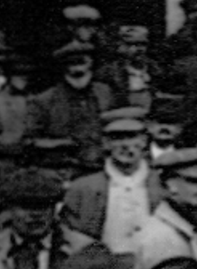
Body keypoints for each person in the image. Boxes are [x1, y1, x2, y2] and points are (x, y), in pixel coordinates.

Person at [60, 108, 164, 256]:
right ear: (106, 143)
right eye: (117, 138)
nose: (125, 145)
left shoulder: (162, 184)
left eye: (132, 137)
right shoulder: (83, 188)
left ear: (144, 141)